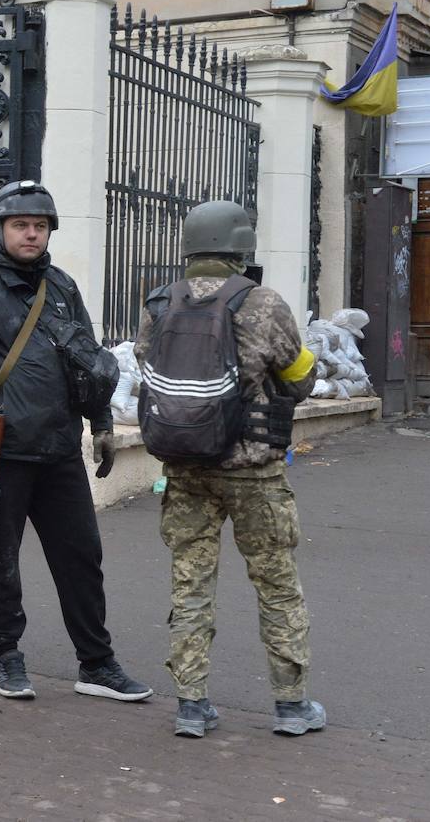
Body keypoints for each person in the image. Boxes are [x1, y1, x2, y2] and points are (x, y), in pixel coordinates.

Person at [0, 180, 151, 703]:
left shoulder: (61, 286)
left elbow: (88, 363)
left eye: (40, 226)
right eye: (21, 225)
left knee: (82, 558)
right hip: (1, 455)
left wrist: (101, 423)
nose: (31, 234)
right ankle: (7, 654)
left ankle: (97, 664)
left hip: (59, 451)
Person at [134, 200, 324, 738]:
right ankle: (291, 706)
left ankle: (192, 707)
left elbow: (149, 371)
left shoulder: (159, 303)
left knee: (190, 585)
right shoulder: (262, 302)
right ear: (241, 246)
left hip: (185, 469)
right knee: (276, 584)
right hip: (253, 474)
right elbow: (300, 377)